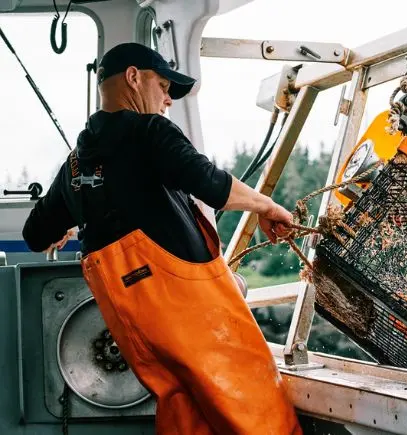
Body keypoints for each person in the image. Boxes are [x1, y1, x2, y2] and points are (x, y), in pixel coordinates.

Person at [22, 42, 302, 435]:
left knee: (183, 400)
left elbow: (35, 234)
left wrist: (71, 221)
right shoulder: (148, 131)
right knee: (252, 399)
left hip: (137, 321)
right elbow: (210, 183)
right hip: (185, 307)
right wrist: (267, 206)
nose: (168, 99)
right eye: (164, 85)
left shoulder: (74, 165)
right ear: (134, 77)